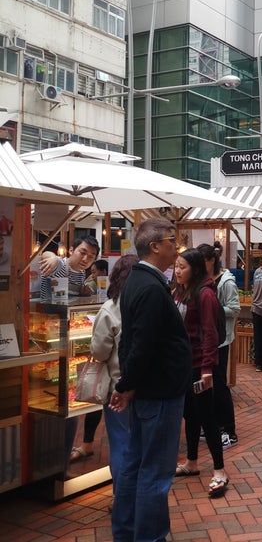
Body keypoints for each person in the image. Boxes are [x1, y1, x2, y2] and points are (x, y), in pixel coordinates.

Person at [108, 218, 191, 542]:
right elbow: (141, 345)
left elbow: (135, 342)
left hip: (148, 390)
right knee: (155, 472)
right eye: (172, 241)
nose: (176, 247)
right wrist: (127, 385)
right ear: (155, 246)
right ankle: (149, 536)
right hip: (159, 395)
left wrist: (129, 384)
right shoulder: (150, 287)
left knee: (134, 464)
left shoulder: (138, 282)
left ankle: (127, 532)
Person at [172, 248, 229, 497]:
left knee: (207, 416)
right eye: (175, 266)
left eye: (182, 267)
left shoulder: (205, 294)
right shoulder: (179, 291)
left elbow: (210, 333)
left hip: (199, 366)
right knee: (190, 415)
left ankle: (220, 470)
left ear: (194, 269)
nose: (177, 271)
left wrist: (207, 369)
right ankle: (192, 463)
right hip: (183, 366)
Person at [89, 254, 139, 500]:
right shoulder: (146, 304)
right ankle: (139, 497)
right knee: (140, 444)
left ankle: (123, 499)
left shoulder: (110, 308)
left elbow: (99, 351)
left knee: (120, 444)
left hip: (117, 388)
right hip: (145, 386)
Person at [197, 242, 240, 449]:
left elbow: (234, 308)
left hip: (221, 339)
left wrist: (212, 309)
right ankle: (214, 425)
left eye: (201, 261)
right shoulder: (203, 280)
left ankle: (229, 431)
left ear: (211, 260)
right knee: (210, 386)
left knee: (220, 385)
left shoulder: (226, 282)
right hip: (206, 338)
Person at [39, 236, 100, 301]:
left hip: (67, 310)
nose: (85, 259)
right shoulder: (60, 264)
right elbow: (45, 254)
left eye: (91, 256)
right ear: (71, 250)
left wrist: (82, 291)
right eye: (82, 253)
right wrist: (52, 258)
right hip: (46, 310)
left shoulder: (81, 273)